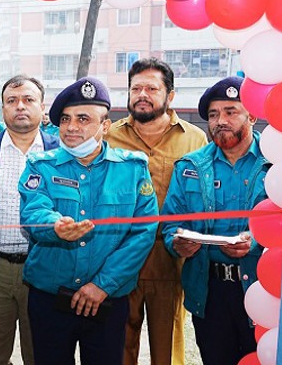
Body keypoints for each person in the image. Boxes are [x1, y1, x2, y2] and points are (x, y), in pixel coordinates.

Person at [19, 77, 159, 364]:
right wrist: (55, 226)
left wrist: (103, 285)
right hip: (50, 297)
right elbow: (33, 212)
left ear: (105, 126)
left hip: (107, 299)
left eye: (83, 119)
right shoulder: (40, 166)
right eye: (66, 119)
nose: (71, 127)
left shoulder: (132, 169)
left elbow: (143, 232)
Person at [104, 58, 207, 365]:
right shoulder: (109, 137)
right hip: (119, 259)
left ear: (170, 95)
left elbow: (201, 199)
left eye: (152, 88)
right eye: (136, 88)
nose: (142, 94)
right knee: (119, 345)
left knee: (168, 351)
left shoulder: (194, 139)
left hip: (170, 261)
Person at [161, 76, 268, 365]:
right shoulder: (189, 167)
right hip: (209, 292)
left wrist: (255, 242)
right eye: (213, 114)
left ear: (252, 114)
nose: (221, 120)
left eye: (231, 111)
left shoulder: (277, 164)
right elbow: (171, 223)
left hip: (263, 289)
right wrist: (177, 243)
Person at [0, 75, 60, 365]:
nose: (20, 106)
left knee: (41, 354)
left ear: (43, 107)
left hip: (44, 266)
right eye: (12, 101)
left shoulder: (60, 152)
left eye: (28, 100)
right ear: (1, 110)